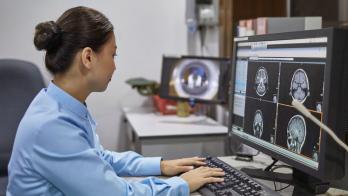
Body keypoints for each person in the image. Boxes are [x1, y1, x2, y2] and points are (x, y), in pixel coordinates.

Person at [6, 6, 224, 196]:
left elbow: (99, 158)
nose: (114, 66)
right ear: (88, 57)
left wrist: (161, 165)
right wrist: (182, 185)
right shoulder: (52, 125)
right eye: (113, 55)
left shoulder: (60, 104)